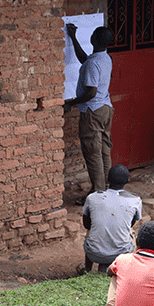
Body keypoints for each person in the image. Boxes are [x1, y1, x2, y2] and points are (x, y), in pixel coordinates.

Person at [64, 24, 115, 205]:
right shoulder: (104, 58)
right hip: (105, 109)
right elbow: (84, 59)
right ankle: (108, 188)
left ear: (94, 39)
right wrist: (74, 37)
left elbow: (91, 92)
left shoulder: (94, 63)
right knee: (103, 151)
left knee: (93, 153)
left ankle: (98, 194)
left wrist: (72, 102)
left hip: (93, 111)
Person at [79, 164, 142, 275]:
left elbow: (86, 224)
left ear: (108, 179)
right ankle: (123, 272)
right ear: (127, 181)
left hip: (93, 253)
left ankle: (87, 271)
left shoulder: (93, 197)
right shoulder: (135, 200)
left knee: (91, 231)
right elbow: (131, 223)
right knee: (130, 232)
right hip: (121, 254)